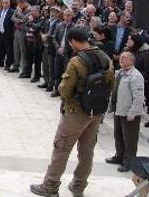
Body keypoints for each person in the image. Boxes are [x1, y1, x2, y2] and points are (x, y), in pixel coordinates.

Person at [30, 27, 114, 197]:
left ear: (74, 41)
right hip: (96, 112)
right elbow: (111, 84)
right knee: (87, 151)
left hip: (76, 112)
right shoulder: (105, 58)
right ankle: (78, 186)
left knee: (61, 149)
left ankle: (50, 185)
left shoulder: (77, 61)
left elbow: (64, 90)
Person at [105, 51, 145, 172]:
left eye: (124, 58)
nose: (121, 60)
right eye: (121, 58)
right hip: (119, 110)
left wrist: (133, 112)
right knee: (118, 135)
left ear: (131, 61)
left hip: (129, 113)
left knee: (130, 140)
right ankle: (119, 156)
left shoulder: (136, 76)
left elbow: (138, 97)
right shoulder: (120, 73)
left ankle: (129, 162)